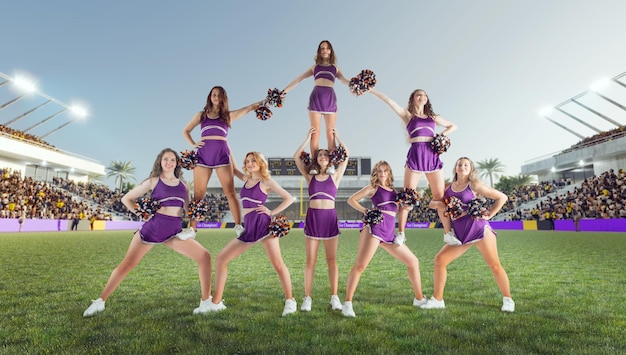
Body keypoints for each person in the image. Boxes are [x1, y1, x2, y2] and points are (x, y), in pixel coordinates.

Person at [82, 148, 213, 317]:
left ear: (177, 163)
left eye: (172, 159)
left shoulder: (184, 185)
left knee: (204, 256)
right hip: (152, 229)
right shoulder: (153, 181)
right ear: (160, 161)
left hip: (173, 232)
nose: (169, 162)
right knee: (127, 265)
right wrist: (141, 214)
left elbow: (188, 209)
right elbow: (126, 199)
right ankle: (100, 301)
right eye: (165, 159)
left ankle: (205, 302)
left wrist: (197, 213)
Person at [195, 151, 297, 316]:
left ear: (260, 163)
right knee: (221, 259)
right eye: (248, 161)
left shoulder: (266, 181)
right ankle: (216, 303)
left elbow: (289, 198)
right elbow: (234, 169)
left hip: (264, 226)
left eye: (253, 161)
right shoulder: (247, 179)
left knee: (278, 264)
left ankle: (290, 301)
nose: (250, 164)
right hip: (249, 226)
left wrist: (271, 212)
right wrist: (227, 149)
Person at [423, 157, 514, 312]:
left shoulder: (474, 185)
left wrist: (489, 215)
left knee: (494, 265)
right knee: (440, 260)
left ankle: (508, 300)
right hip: (460, 234)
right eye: (460, 164)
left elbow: (502, 197)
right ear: (455, 168)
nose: (462, 166)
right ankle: (438, 300)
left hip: (479, 229)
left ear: (471, 169)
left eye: (466, 165)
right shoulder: (446, 187)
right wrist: (438, 204)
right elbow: (432, 202)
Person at [368, 88, 458, 243]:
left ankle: (448, 234)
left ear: (426, 99)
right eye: (418, 94)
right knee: (406, 198)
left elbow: (453, 126)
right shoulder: (407, 115)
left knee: (440, 198)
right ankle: (401, 234)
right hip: (415, 156)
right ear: (413, 99)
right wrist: (371, 90)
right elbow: (388, 101)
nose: (421, 96)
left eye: (424, 94)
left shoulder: (433, 117)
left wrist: (441, 136)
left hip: (432, 156)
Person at [342, 161, 427, 317]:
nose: (382, 173)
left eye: (385, 170)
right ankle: (347, 304)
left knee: (413, 262)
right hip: (374, 228)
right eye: (379, 171)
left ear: (389, 173)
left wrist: (401, 232)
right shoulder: (373, 188)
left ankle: (419, 298)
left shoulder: (395, 192)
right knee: (360, 266)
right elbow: (351, 200)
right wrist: (367, 211)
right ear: (376, 173)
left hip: (389, 233)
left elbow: (403, 210)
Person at [179, 86, 264, 240]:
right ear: (209, 96)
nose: (216, 97)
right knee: (198, 194)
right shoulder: (201, 115)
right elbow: (186, 130)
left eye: (219, 95)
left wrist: (264, 102)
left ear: (223, 98)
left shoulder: (227, 116)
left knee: (230, 192)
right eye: (213, 95)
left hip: (222, 155)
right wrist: (193, 144)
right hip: (203, 156)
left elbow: (249, 108)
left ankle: (238, 226)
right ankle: (192, 229)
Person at [293, 127, 350, 312]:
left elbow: (347, 155)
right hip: (313, 219)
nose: (323, 157)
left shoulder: (335, 177)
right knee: (310, 260)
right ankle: (307, 297)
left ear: (330, 159)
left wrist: (337, 136)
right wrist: (307, 138)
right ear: (316, 159)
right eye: (320, 155)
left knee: (331, 260)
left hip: (330, 219)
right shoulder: (311, 178)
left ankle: (334, 297)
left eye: (326, 155)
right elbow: (296, 157)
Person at [282, 40, 350, 153]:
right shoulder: (314, 67)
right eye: (322, 48)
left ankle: (331, 164)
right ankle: (314, 164)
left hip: (329, 98)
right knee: (315, 133)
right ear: (319, 51)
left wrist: (357, 85)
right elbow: (299, 79)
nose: (324, 50)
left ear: (330, 51)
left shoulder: (335, 68)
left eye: (327, 48)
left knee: (330, 133)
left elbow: (345, 81)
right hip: (316, 97)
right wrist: (283, 92)